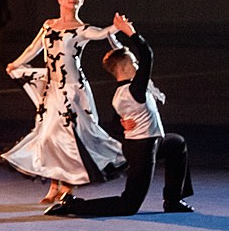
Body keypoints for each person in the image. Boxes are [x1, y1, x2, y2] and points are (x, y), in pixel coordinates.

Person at [47, 15, 193, 217]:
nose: (136, 64)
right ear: (124, 66)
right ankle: (73, 206)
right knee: (128, 205)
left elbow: (115, 127)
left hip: (146, 143)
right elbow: (147, 54)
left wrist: (125, 125)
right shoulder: (135, 90)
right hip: (143, 149)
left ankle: (173, 200)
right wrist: (129, 32)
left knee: (177, 144)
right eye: (133, 61)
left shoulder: (119, 94)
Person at [0, 0, 124, 204]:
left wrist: (116, 27)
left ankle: (68, 184)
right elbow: (33, 49)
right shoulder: (48, 25)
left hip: (74, 91)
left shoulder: (82, 29)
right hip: (52, 90)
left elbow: (102, 33)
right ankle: (54, 183)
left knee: (70, 138)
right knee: (48, 136)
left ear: (82, 1)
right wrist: (15, 64)